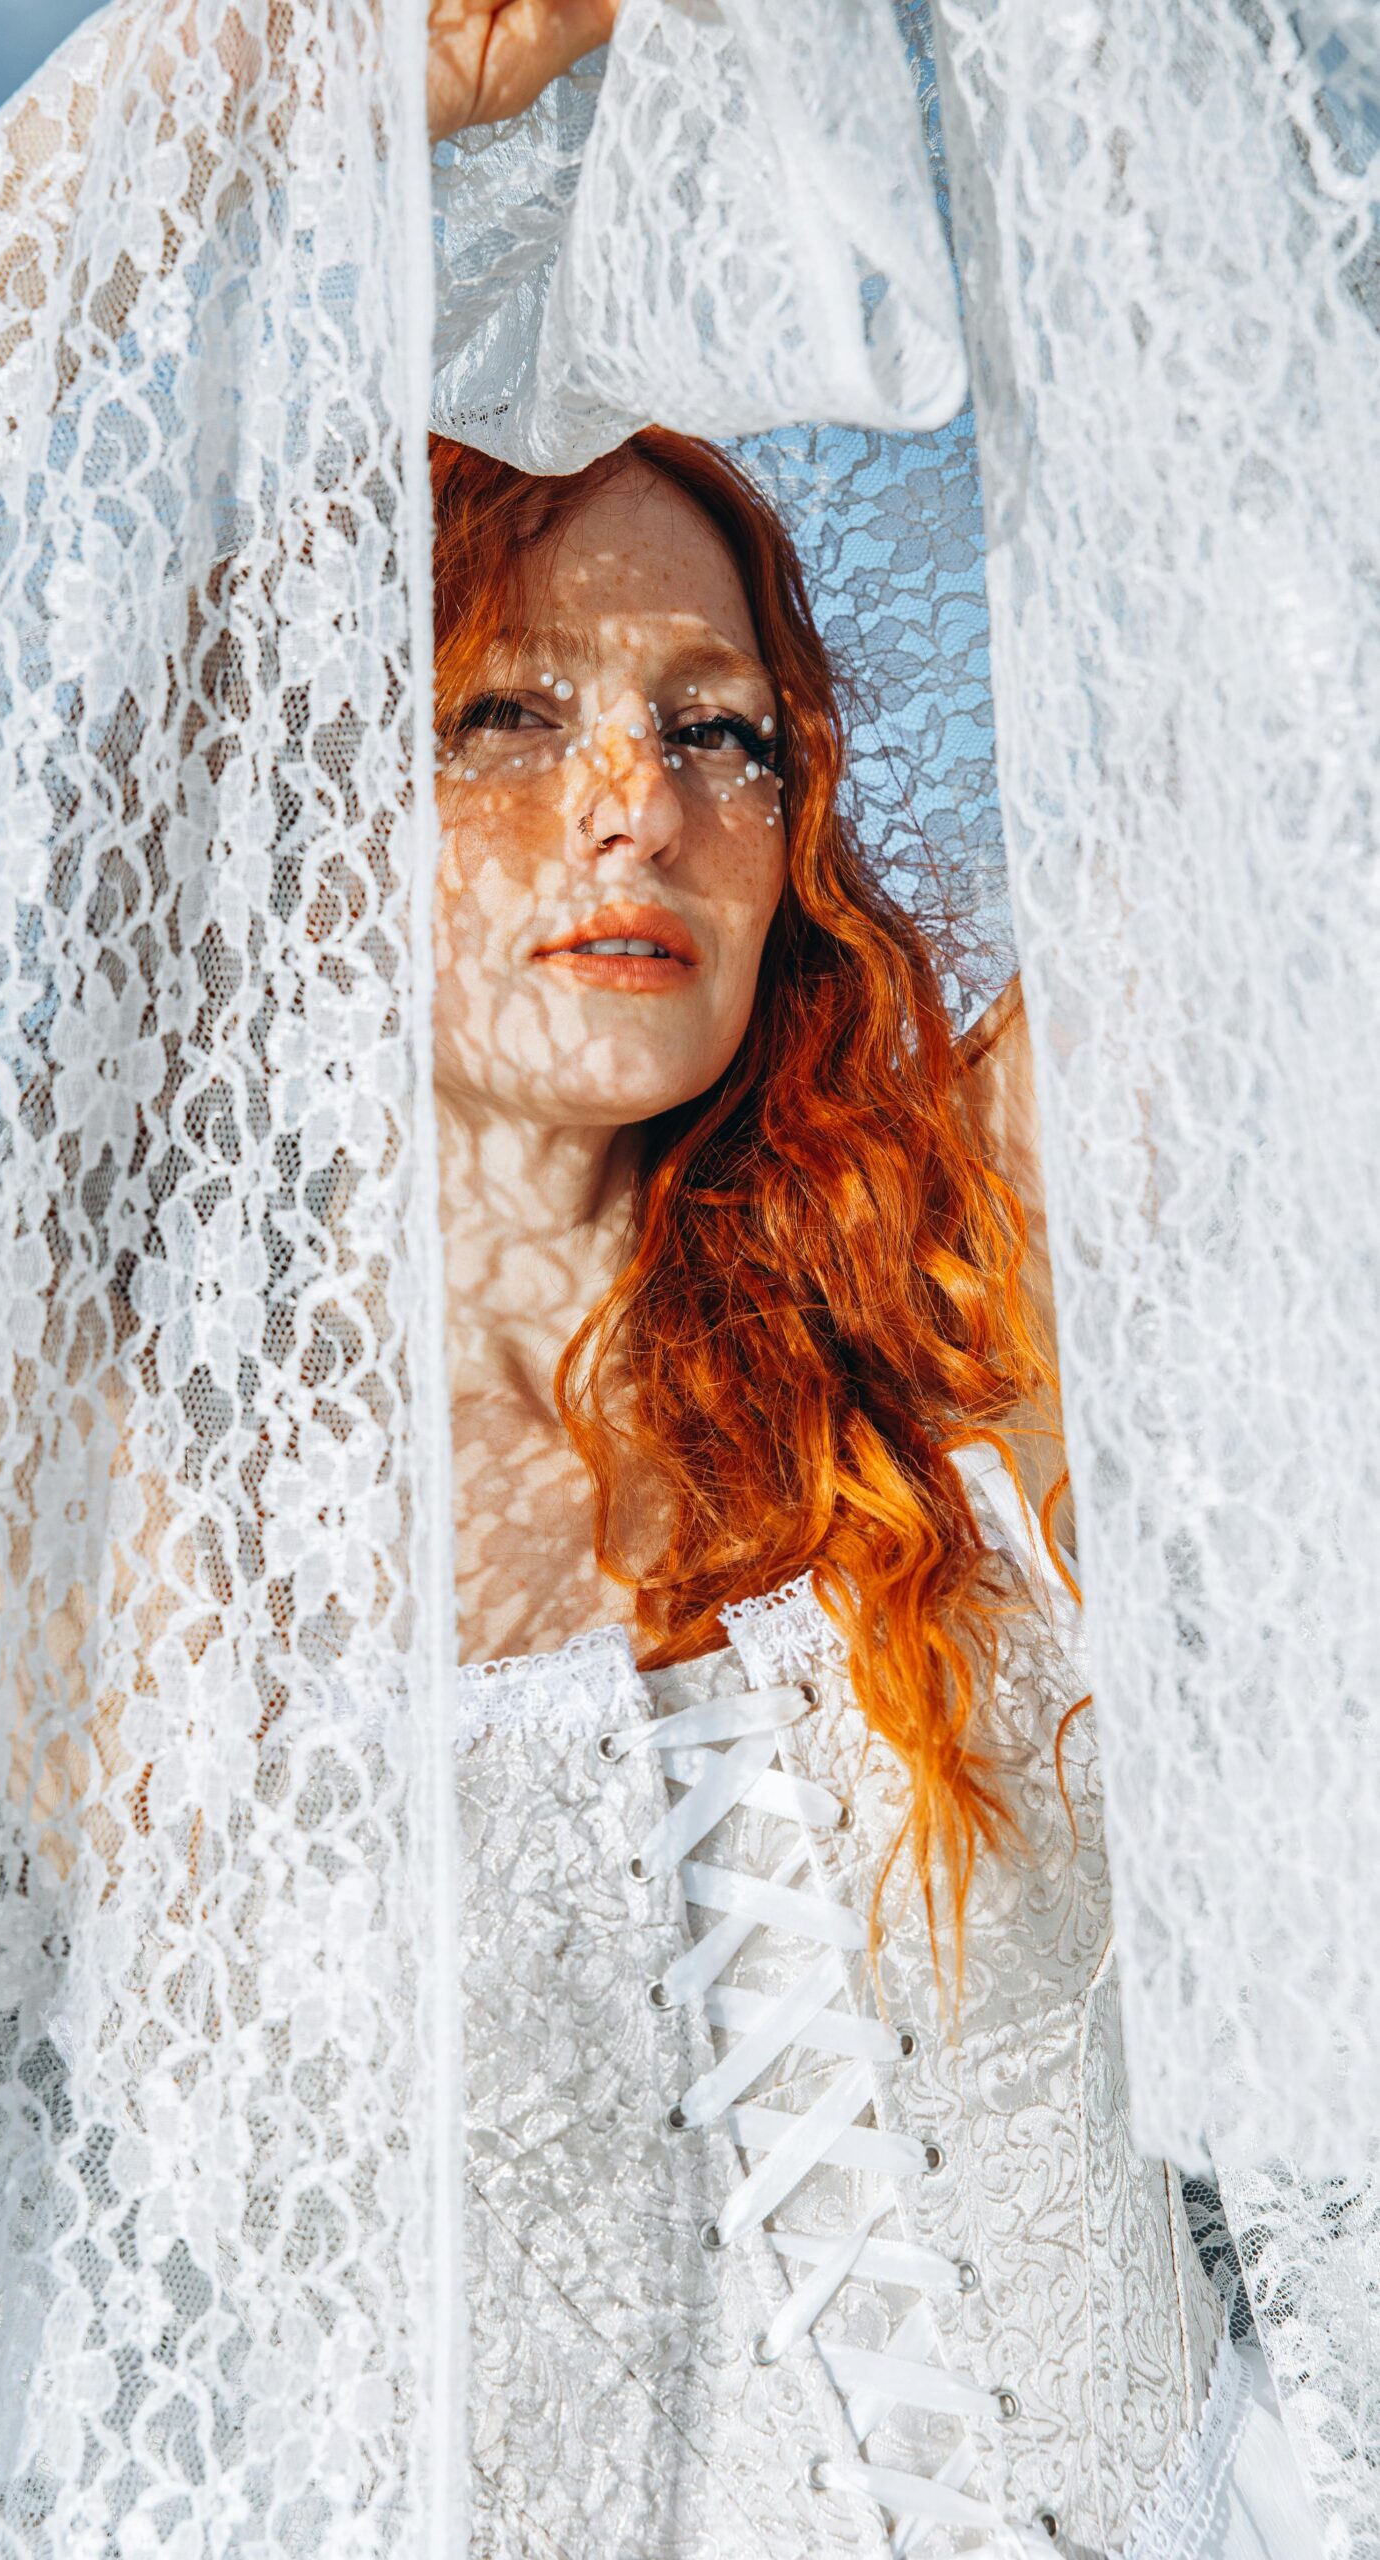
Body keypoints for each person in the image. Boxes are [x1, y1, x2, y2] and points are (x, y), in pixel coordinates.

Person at [429, 427, 1322, 2557]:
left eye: (715, 729)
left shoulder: (939, 1307)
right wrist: (259, 88)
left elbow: (1286, 646)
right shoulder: (148, 1534)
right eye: (505, 710)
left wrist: (1064, 84)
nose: (632, 798)